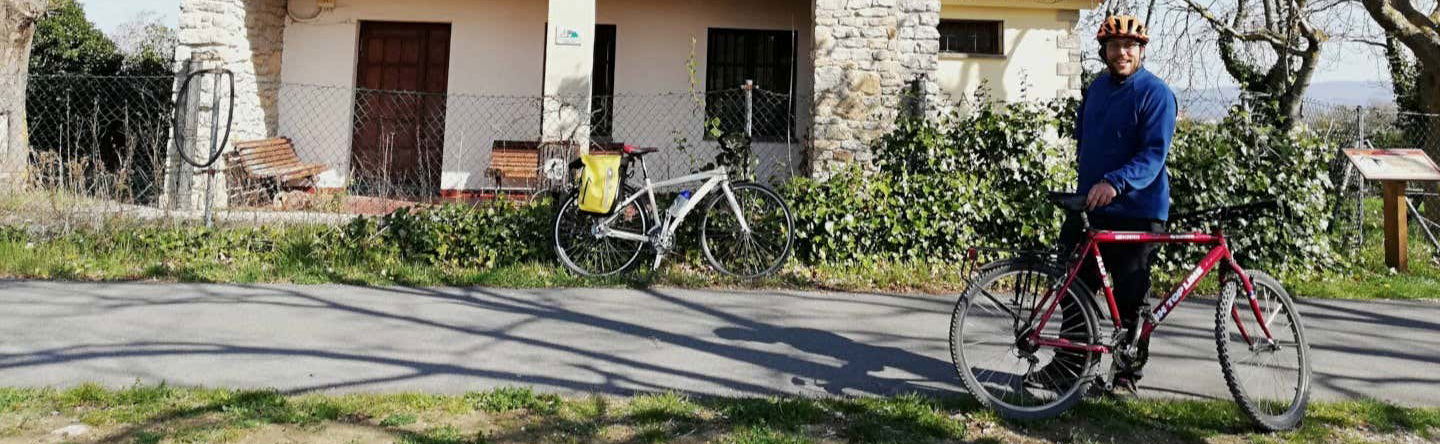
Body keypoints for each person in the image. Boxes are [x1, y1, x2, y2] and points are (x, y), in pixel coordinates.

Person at [1030, 14, 1178, 393]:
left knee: (1131, 297)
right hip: (1092, 207)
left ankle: (1126, 375)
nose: (1122, 52)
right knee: (1071, 288)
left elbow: (1153, 155)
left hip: (1138, 209)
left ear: (1141, 50)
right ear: (1104, 51)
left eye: (1129, 46)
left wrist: (1115, 181)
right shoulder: (1096, 89)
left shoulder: (1155, 93)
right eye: (1114, 46)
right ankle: (1070, 366)